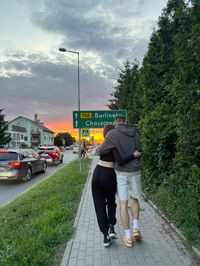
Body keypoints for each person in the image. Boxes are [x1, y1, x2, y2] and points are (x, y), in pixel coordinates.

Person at [98, 115, 142, 248]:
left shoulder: (113, 134)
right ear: (125, 121)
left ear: (116, 123)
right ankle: (136, 227)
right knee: (134, 199)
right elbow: (140, 151)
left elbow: (101, 150)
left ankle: (127, 236)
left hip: (121, 172)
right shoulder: (135, 133)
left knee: (123, 203)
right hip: (135, 171)